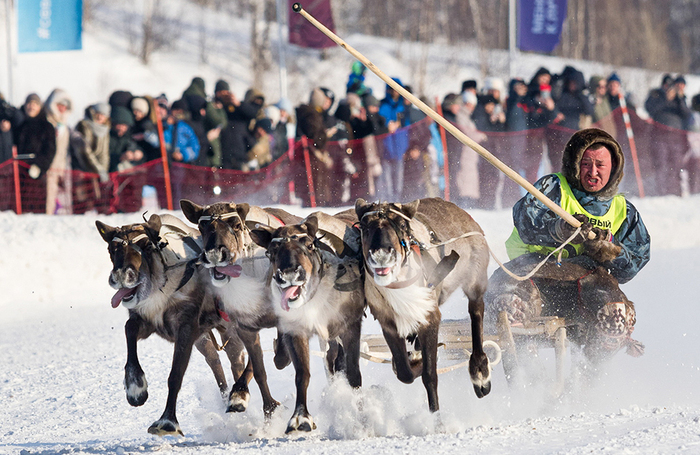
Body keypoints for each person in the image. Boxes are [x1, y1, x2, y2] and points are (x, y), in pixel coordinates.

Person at [485, 128, 650, 361]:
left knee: (617, 315)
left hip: (586, 285)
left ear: (613, 168)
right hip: (532, 274)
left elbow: (633, 264)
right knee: (509, 309)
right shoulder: (554, 187)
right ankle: (525, 379)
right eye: (586, 164)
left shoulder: (624, 211)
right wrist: (558, 230)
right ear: (575, 164)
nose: (593, 172)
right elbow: (524, 218)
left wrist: (610, 251)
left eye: (600, 165)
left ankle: (589, 380)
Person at [44, 88, 74, 214]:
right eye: (59, 105)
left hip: (61, 167)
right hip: (47, 166)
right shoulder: (46, 122)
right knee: (48, 194)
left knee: (61, 195)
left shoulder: (65, 125)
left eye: (65, 106)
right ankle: (48, 214)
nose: (62, 109)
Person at [75, 102, 111, 182]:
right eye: (98, 113)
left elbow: (104, 153)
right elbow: (85, 150)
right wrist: (98, 169)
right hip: (81, 168)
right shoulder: (84, 125)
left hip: (96, 171)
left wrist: (103, 170)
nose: (100, 117)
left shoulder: (105, 130)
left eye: (103, 115)